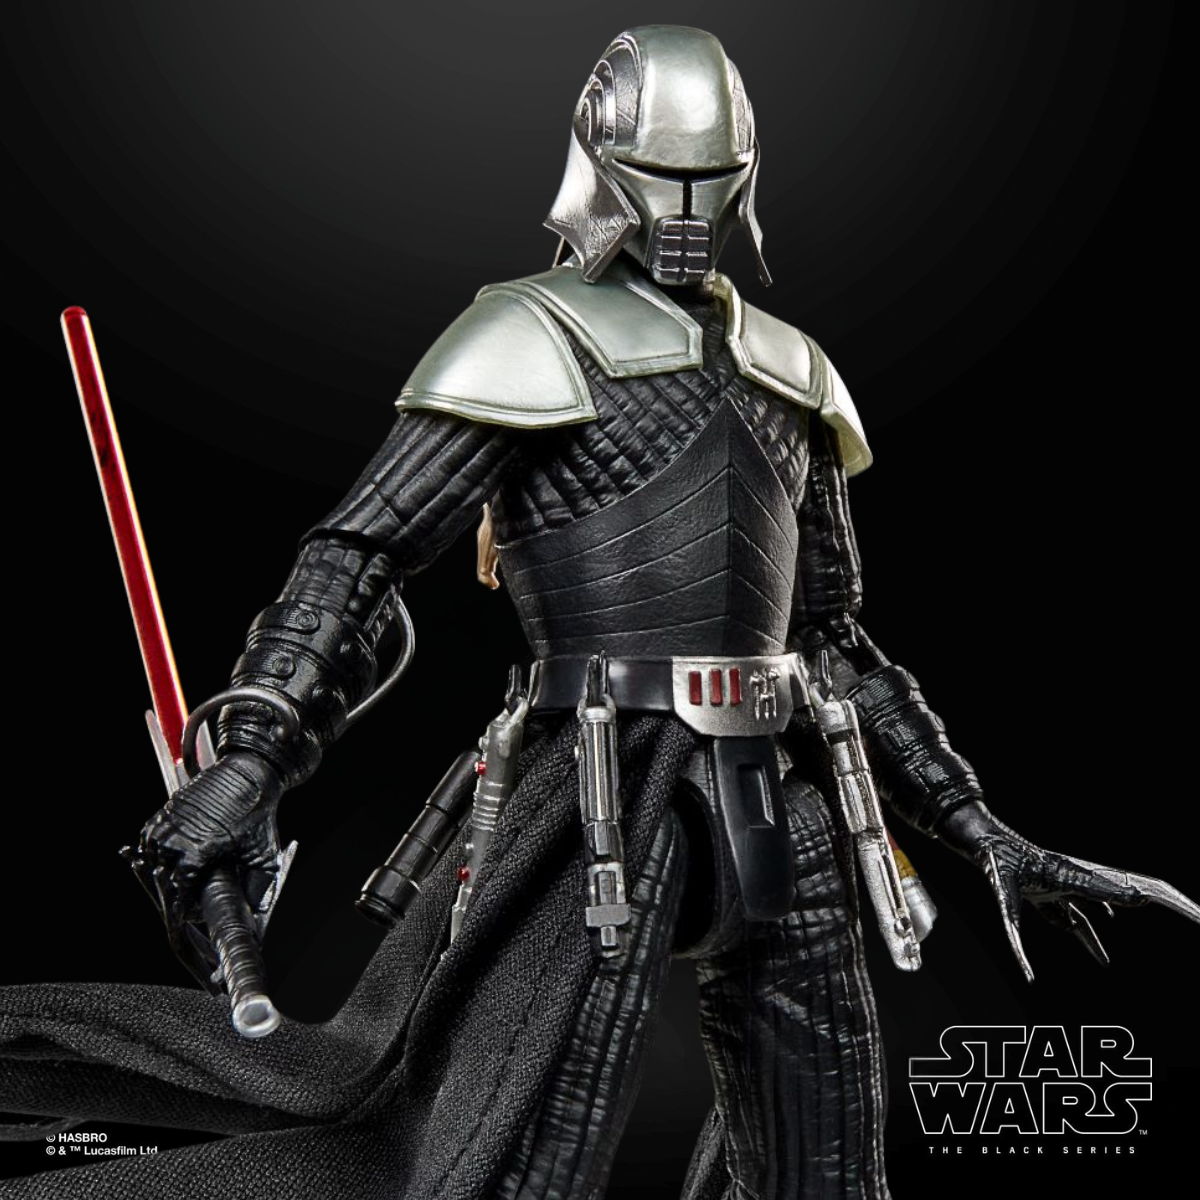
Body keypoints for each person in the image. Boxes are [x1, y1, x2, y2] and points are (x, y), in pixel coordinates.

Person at [2, 25, 1196, 1200]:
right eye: (664, 176)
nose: (687, 209)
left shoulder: (792, 369)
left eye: (710, 179)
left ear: (747, 176)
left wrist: (979, 827)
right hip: (600, 793)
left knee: (828, 1171)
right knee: (511, 1156)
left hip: (784, 789)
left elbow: (833, 639)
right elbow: (359, 557)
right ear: (600, 164)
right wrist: (251, 759)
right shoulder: (529, 334)